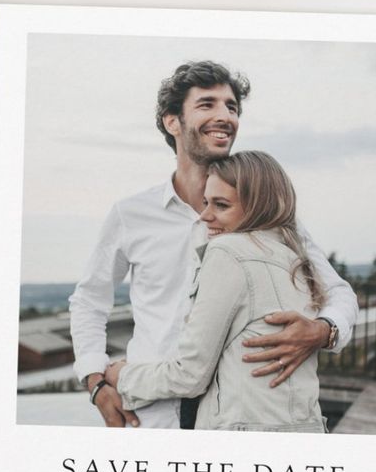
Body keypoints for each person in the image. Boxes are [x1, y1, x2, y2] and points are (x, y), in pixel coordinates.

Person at [69, 61, 358, 429]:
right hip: (151, 414)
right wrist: (95, 381)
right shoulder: (130, 214)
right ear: (172, 121)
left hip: (234, 418)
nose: (225, 116)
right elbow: (89, 301)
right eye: (207, 104)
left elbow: (338, 291)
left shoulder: (266, 216)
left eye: (231, 107)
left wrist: (323, 330)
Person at [104, 151, 326, 433]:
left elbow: (190, 375)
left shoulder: (227, 251)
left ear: (259, 205)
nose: (206, 216)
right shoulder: (294, 257)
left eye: (221, 205)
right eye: (206, 202)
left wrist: (122, 376)